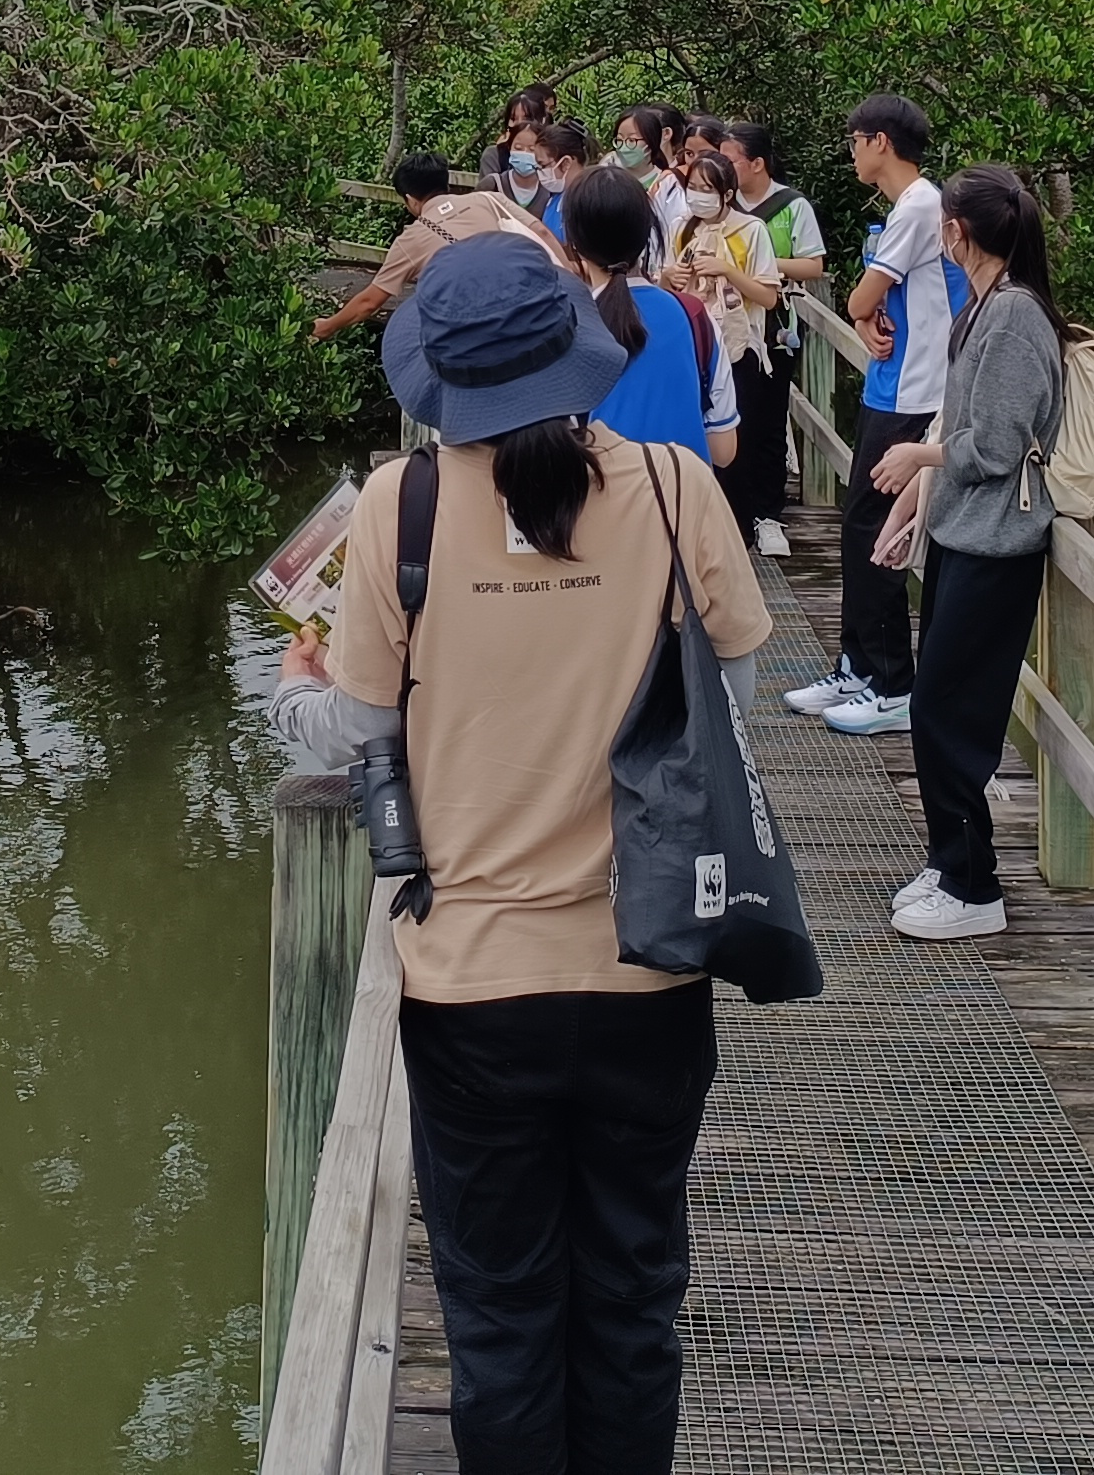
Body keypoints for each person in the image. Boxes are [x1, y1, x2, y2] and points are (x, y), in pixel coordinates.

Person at [268, 238, 771, 1475]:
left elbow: (362, 727)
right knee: (633, 1302)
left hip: (472, 989)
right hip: (652, 963)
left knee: (499, 1318)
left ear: (440, 377)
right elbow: (732, 704)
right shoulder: (673, 487)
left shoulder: (402, 504)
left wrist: (292, 691)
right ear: (580, 349)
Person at [854, 165, 1060, 931]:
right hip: (962, 532)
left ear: (957, 232)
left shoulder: (1013, 316)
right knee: (936, 705)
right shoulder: (983, 306)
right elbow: (960, 424)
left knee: (949, 710)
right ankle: (950, 862)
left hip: (997, 546)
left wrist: (918, 458)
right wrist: (914, 510)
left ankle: (975, 888)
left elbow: (996, 445)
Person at [780, 95, 946, 738]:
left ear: (880, 141)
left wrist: (861, 309)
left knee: (875, 531)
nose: (851, 153)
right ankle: (857, 666)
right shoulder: (908, 209)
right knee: (857, 528)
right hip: (889, 386)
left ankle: (892, 684)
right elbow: (875, 303)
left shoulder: (920, 205)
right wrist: (867, 315)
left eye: (854, 141)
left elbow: (861, 295)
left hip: (914, 394)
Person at [557, 167, 718, 471]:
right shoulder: (694, 316)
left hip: (602, 493)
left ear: (574, 242)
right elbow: (724, 449)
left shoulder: (565, 327)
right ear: (647, 234)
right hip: (685, 494)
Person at [313, 153, 565, 345]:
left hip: (477, 329)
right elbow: (541, 232)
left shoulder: (410, 240)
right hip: (529, 301)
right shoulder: (488, 199)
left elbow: (369, 303)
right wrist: (571, 271)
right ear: (446, 182)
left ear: (410, 199)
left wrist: (328, 326)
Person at [724, 124, 825, 553]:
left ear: (757, 163)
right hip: (728, 328)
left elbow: (814, 265)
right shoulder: (721, 205)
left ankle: (768, 514)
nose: (723, 167)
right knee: (731, 419)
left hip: (774, 326)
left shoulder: (792, 205)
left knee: (768, 421)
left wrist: (762, 262)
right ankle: (734, 513)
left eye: (730, 160)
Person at [654, 147, 779, 496]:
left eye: (707, 189)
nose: (698, 195)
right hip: (690, 345)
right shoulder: (680, 228)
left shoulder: (751, 229)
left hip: (738, 348)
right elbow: (662, 284)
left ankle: (738, 519)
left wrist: (726, 270)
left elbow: (769, 296)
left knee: (738, 443)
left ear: (727, 194)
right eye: (693, 187)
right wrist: (668, 277)